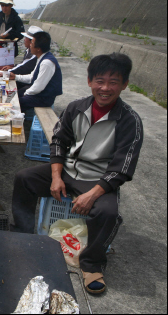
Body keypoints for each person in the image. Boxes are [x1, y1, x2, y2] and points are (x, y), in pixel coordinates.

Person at [11, 53, 143, 295]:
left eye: (113, 82)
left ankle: (91, 264)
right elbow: (59, 143)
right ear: (89, 80)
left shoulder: (129, 121)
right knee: (24, 178)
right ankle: (23, 233)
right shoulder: (75, 108)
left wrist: (92, 195)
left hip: (98, 178)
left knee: (108, 211)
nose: (105, 88)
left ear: (124, 85)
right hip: (69, 169)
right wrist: (56, 176)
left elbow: (122, 168)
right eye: (99, 80)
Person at [3, 31, 62, 112]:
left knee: (15, 103)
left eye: (32, 43)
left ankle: (16, 121)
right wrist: (15, 76)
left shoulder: (47, 63)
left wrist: (25, 93)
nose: (30, 45)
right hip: (39, 94)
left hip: (44, 98)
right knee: (12, 96)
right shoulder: (41, 57)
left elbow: (38, 87)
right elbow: (32, 77)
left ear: (38, 49)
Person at [1, 26, 43, 91]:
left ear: (32, 42)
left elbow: (24, 67)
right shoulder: (29, 50)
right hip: (27, 79)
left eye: (26, 38)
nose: (24, 39)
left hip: (30, 84)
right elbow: (23, 64)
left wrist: (7, 72)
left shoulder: (36, 54)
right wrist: (12, 68)